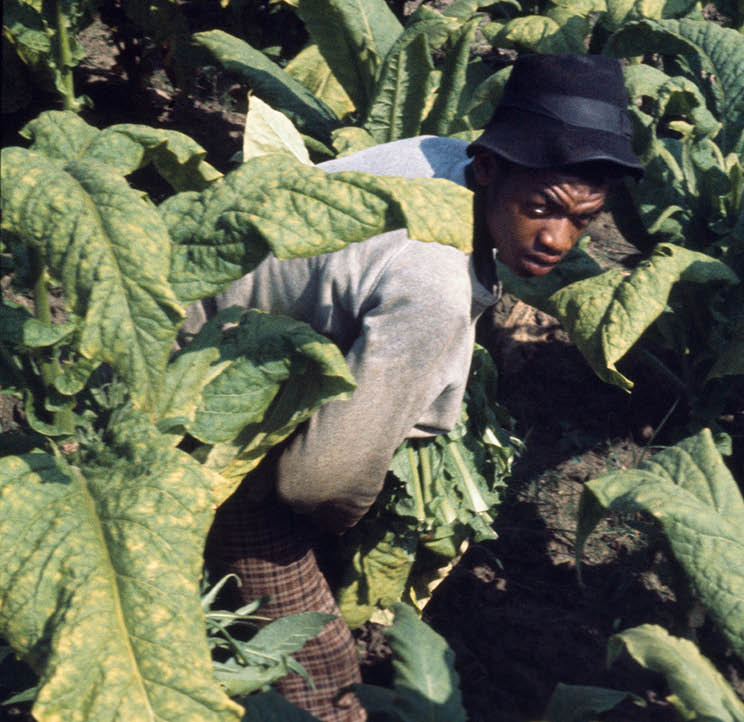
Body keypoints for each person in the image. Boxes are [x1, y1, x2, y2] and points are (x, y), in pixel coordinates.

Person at [189, 53, 644, 721]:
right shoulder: (431, 280)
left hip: (217, 324)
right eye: (541, 208)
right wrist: (345, 529)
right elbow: (313, 483)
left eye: (581, 219)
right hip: (203, 410)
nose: (557, 238)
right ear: (490, 169)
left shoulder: (436, 158)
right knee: (321, 675)